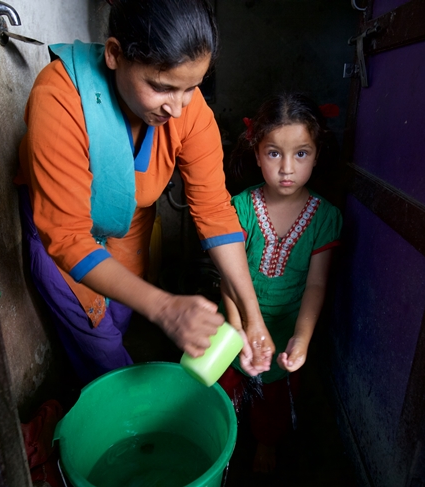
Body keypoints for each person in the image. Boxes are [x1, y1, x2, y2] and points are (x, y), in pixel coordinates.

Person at [15, 0, 274, 385]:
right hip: (65, 238)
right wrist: (164, 306)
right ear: (115, 54)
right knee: (103, 352)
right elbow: (67, 236)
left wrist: (253, 317)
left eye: (192, 87)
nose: (177, 106)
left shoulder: (190, 111)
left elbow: (215, 213)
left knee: (121, 314)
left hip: (129, 230)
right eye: (161, 86)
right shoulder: (60, 99)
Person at [218, 93, 343, 473]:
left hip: (287, 324)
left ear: (317, 154)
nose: (287, 168)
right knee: (222, 387)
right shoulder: (239, 208)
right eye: (274, 154)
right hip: (237, 319)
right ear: (256, 154)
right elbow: (227, 277)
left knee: (274, 393)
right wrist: (238, 329)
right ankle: (221, 441)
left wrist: (302, 338)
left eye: (301, 154)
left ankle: (266, 443)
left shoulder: (324, 217)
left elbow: (316, 286)